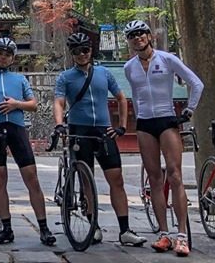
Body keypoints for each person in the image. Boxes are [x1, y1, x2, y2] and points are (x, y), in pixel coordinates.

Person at [53, 31, 147, 248]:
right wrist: (59, 124)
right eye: (76, 52)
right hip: (79, 130)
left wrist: (122, 125)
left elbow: (121, 98)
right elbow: (58, 102)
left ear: (91, 50)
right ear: (72, 54)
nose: (82, 55)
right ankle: (93, 225)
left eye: (85, 50)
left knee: (116, 179)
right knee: (87, 179)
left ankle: (125, 230)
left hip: (103, 130)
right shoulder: (65, 77)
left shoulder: (104, 73)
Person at [122, 20, 204, 257]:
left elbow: (196, 83)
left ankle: (182, 235)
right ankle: (164, 234)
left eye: (140, 34)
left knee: (175, 175)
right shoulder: (129, 67)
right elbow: (135, 96)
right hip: (145, 123)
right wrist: (138, 118)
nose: (137, 38)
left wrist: (189, 110)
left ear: (149, 36)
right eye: (132, 36)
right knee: (154, 179)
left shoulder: (167, 59)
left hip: (167, 119)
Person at [0, 37, 56, 247]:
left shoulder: (19, 80)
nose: (3, 56)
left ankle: (44, 227)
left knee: (31, 176)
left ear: (12, 58)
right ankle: (6, 227)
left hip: (17, 129)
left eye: (8, 54)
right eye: (0, 52)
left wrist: (15, 104)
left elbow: (34, 105)